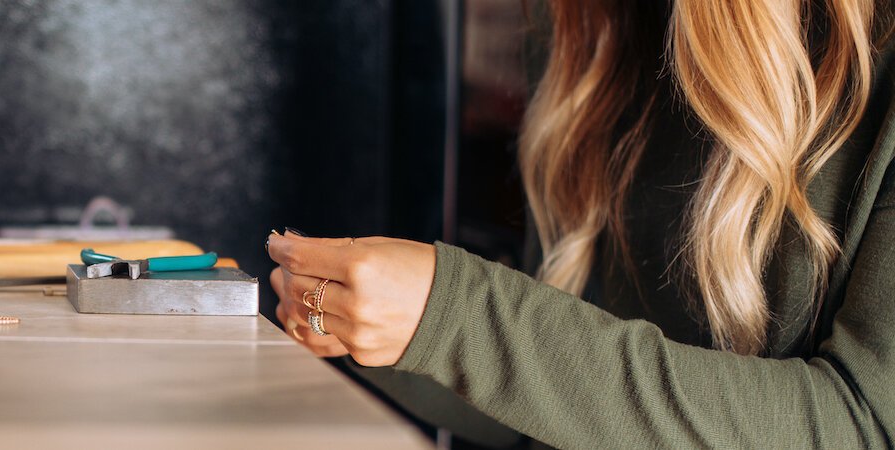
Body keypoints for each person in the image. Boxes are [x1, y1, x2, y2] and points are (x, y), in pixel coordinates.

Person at [267, 1, 895, 447]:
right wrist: (373, 328)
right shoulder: (601, 36)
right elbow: (564, 405)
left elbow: (862, 425)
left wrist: (458, 318)